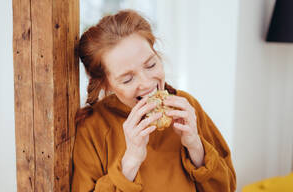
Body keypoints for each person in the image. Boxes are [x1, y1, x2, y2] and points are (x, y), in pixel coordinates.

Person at [71, 9, 236, 192]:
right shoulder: (92, 127)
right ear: (106, 84)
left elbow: (227, 187)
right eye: (127, 79)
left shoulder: (187, 106)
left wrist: (196, 147)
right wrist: (131, 160)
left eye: (151, 65)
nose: (147, 83)